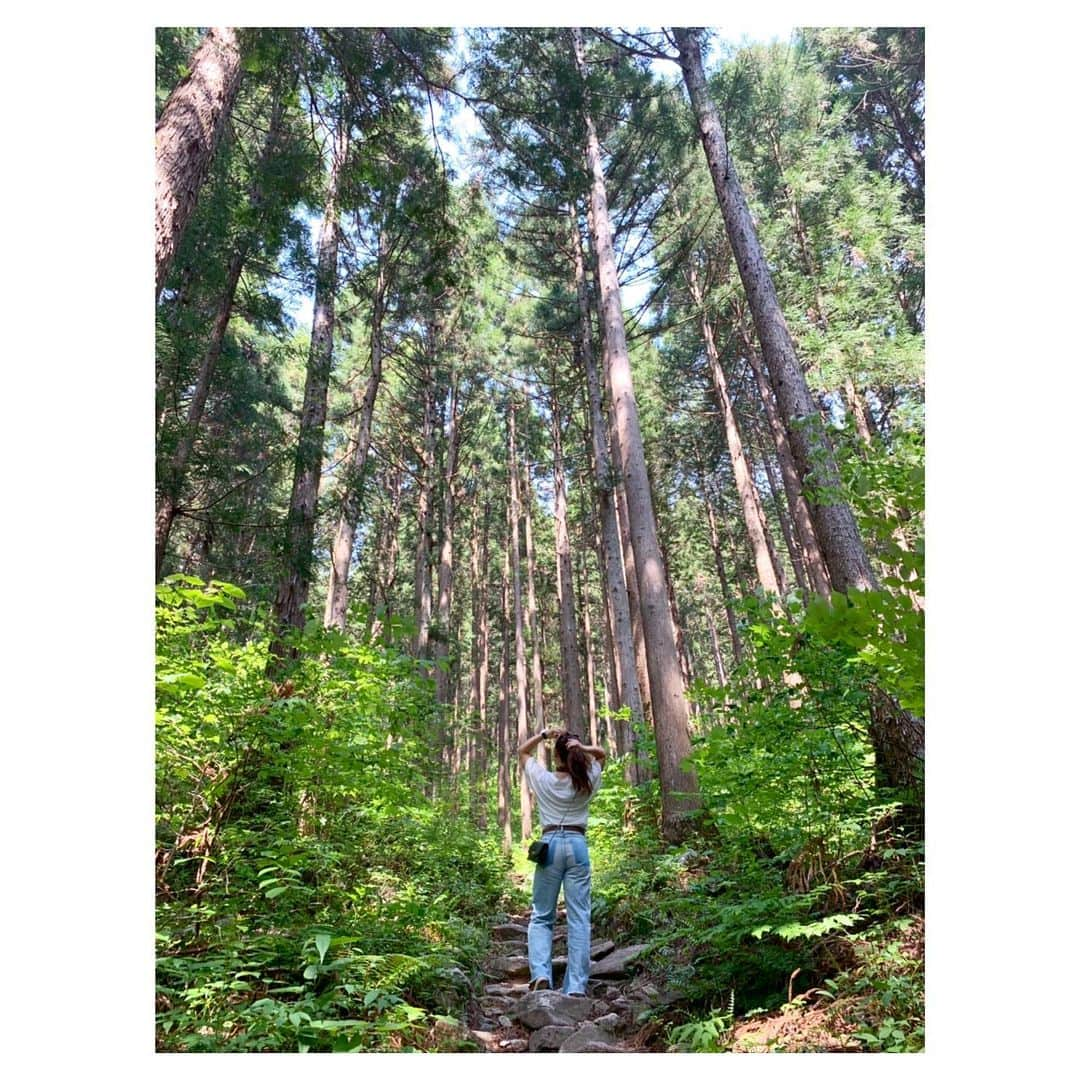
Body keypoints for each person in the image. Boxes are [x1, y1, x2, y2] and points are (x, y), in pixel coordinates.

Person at [517, 727, 606, 996]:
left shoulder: (544, 780)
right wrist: (582, 747)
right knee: (579, 917)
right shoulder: (586, 780)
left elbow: (522, 751)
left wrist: (545, 735)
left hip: (550, 845)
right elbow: (602, 755)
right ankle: (576, 986)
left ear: (556, 756)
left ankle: (541, 975)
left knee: (542, 915)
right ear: (576, 754)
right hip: (578, 846)